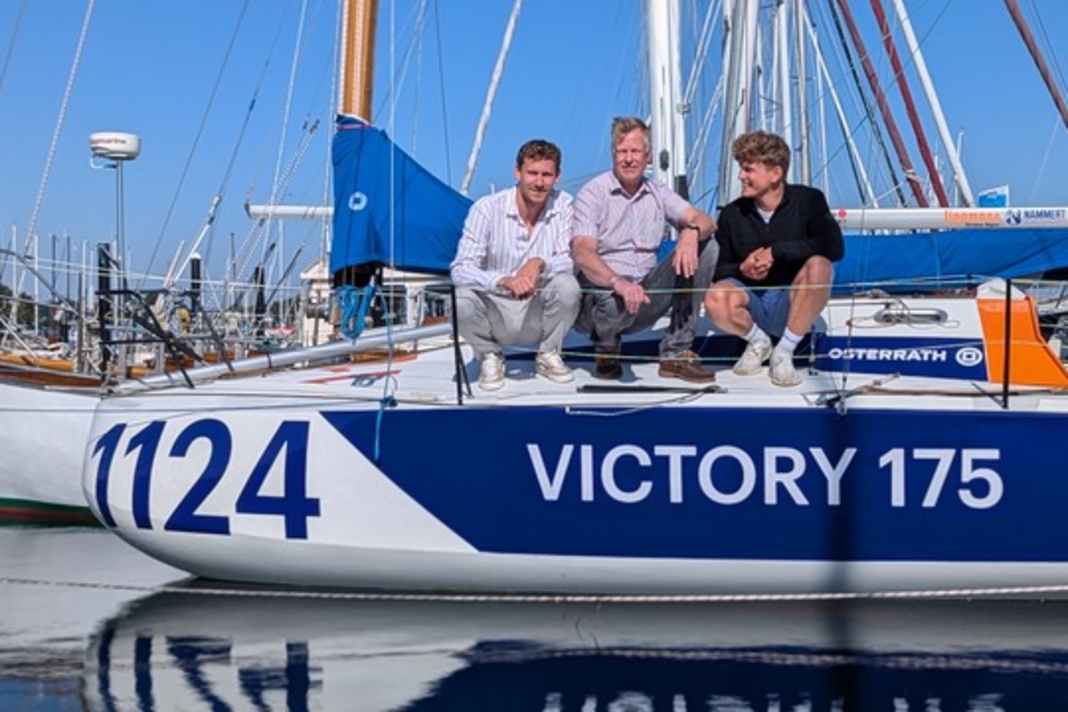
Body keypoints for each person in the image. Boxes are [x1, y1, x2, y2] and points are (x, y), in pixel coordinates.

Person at [571, 116, 718, 382]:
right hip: (604, 298)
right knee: (610, 300)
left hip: (647, 295)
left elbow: (706, 221)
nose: (628, 159)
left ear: (647, 156)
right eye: (622, 151)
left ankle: (676, 352)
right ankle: (607, 349)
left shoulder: (658, 193)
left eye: (635, 151)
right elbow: (582, 252)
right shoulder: (593, 194)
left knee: (707, 246)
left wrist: (690, 233)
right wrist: (619, 283)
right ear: (613, 154)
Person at [704, 131, 844, 387]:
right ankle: (759, 342)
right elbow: (720, 270)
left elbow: (833, 246)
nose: (740, 176)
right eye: (740, 169)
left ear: (775, 174)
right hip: (753, 301)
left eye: (748, 170)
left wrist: (776, 252)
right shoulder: (732, 215)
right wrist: (742, 268)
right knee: (715, 296)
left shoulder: (809, 200)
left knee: (820, 265)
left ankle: (784, 352)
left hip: (792, 300)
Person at [450, 139, 581, 391]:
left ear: (557, 177)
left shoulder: (563, 204)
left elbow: (568, 260)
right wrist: (504, 280)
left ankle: (548, 354)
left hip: (537, 309)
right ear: (517, 172)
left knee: (568, 286)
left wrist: (537, 263)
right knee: (460, 300)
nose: (539, 182)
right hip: (495, 310)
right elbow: (460, 269)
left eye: (547, 175)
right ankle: (489, 354)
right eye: (532, 173)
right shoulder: (486, 209)